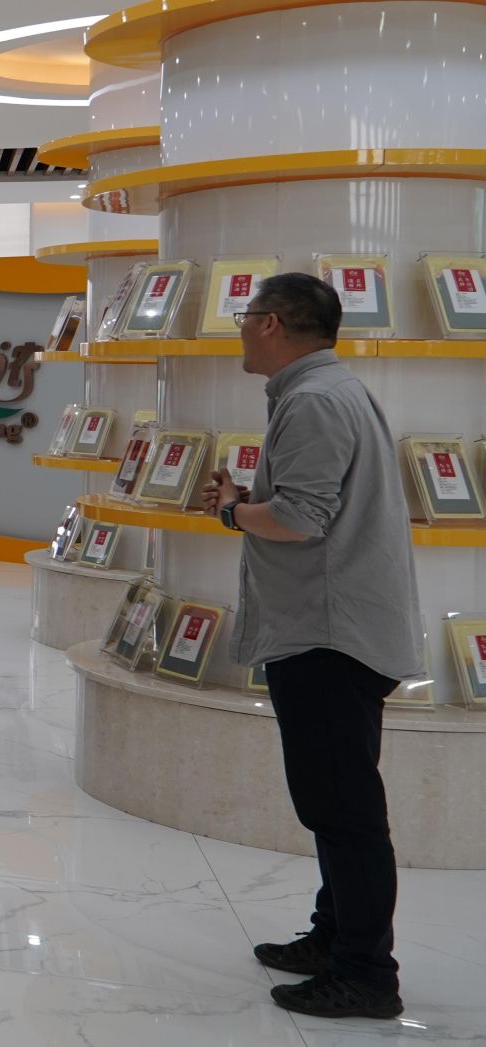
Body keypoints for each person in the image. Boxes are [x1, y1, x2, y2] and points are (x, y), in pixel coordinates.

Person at [199, 273, 420, 1021]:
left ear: (271, 323)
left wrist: (234, 511)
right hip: (335, 629)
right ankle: (335, 937)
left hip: (329, 635)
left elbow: (300, 518)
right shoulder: (325, 390)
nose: (238, 325)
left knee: (345, 810)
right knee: (334, 802)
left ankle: (366, 972)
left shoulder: (315, 400)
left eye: (245, 314)